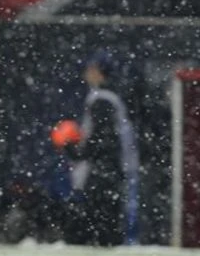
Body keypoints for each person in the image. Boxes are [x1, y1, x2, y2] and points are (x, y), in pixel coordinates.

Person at [54, 51, 140, 246]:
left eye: (91, 69)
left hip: (105, 167)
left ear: (100, 72)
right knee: (108, 217)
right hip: (113, 166)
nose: (86, 73)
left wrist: (71, 149)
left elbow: (102, 138)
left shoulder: (102, 99)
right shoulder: (109, 96)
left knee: (100, 219)